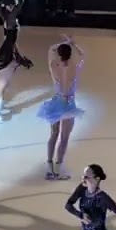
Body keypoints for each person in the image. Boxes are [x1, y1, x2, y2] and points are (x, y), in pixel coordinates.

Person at [38, 36, 85, 179]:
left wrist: (64, 42)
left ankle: (49, 167)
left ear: (59, 54)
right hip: (69, 105)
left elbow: (50, 49)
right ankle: (58, 169)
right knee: (64, 138)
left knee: (54, 134)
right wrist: (73, 43)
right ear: (70, 54)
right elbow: (82, 55)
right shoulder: (75, 67)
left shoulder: (53, 65)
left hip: (56, 102)